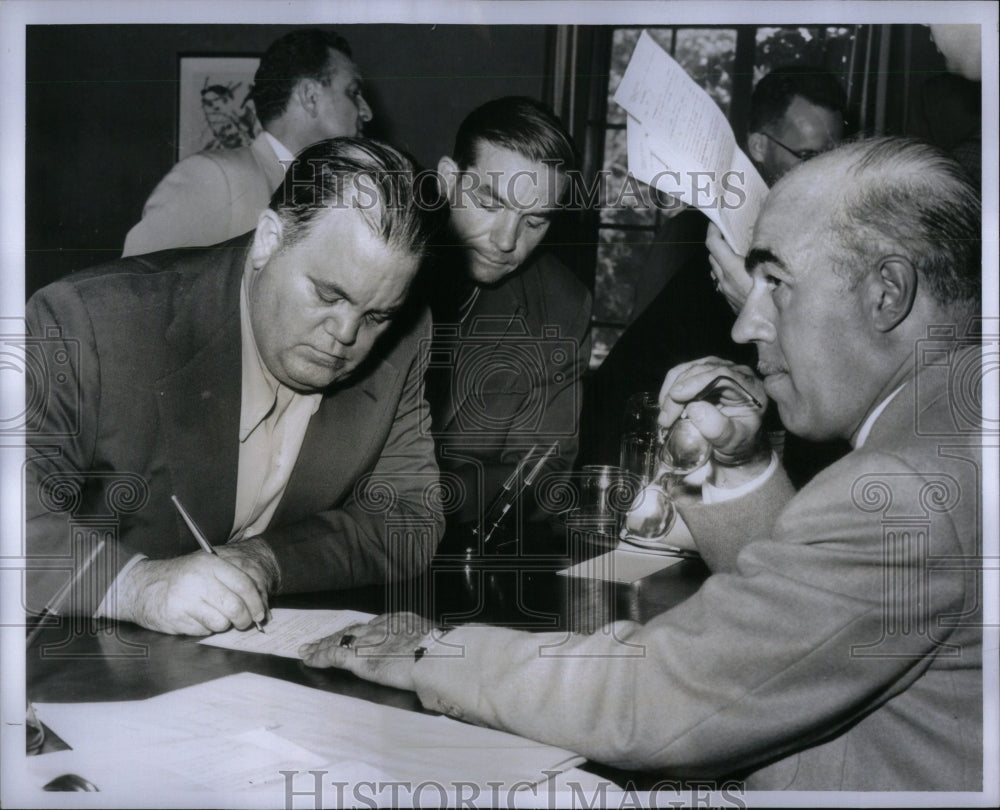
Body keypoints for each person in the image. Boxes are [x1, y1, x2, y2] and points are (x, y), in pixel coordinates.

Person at [301, 137, 983, 791]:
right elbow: (805, 624)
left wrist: (431, 653)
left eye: (776, 281)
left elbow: (654, 701)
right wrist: (737, 471)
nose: (746, 326)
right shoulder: (953, 435)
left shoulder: (904, 488)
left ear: (887, 294)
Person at [26, 138, 443, 637]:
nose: (348, 334)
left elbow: (408, 518)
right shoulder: (89, 323)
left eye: (376, 315)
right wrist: (135, 585)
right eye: (328, 294)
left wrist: (266, 560)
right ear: (269, 239)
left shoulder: (404, 336)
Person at [579, 66, 849, 483]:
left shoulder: (831, 244)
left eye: (835, 156)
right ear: (758, 145)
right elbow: (633, 375)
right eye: (810, 156)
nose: (825, 174)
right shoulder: (691, 236)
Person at [421, 97, 592, 527]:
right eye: (490, 203)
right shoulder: (372, 258)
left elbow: (542, 475)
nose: (505, 240)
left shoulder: (561, 306)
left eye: (534, 222)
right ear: (447, 179)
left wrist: (409, 497)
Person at [122, 29, 372, 257]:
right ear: (310, 97)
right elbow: (136, 295)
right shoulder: (214, 178)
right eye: (353, 92)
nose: (366, 112)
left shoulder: (336, 192)